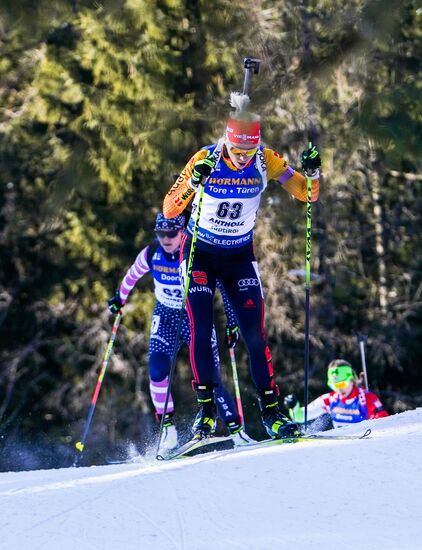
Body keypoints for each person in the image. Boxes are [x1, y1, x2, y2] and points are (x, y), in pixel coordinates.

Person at [162, 92, 321, 439]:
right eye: (237, 153)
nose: (242, 159)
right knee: (202, 331)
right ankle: (205, 414)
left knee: (254, 334)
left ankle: (272, 413)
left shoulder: (266, 161)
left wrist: (313, 173)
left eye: (248, 153)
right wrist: (192, 183)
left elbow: (307, 194)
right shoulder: (206, 157)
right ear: (227, 144)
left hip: (238, 258)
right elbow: (170, 209)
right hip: (200, 253)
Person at [108, 212, 252, 450]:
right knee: (156, 370)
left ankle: (236, 432)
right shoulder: (151, 253)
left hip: (195, 314)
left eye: (171, 233)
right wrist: (119, 299)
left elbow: (225, 288)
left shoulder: (197, 252)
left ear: (182, 231)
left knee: (210, 375)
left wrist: (232, 322)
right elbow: (132, 275)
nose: (165, 238)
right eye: (161, 233)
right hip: (165, 315)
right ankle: (168, 429)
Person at [283, 359, 389, 429]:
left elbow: (384, 423)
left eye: (342, 384)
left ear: (351, 379)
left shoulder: (366, 398)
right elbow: (301, 417)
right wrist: (294, 407)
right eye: (334, 385)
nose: (339, 389)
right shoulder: (329, 400)